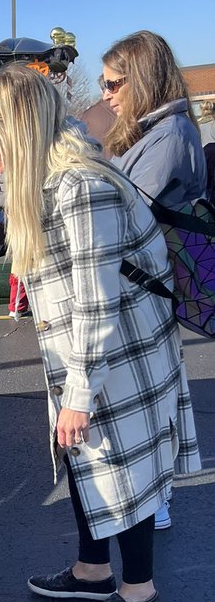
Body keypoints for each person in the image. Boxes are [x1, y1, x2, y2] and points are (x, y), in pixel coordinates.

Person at [0, 65, 200, 602]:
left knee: (125, 468)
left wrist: (78, 394)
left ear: (20, 128)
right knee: (84, 459)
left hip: (122, 356)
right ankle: (92, 570)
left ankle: (140, 592)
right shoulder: (48, 181)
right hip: (98, 354)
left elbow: (96, 303)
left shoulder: (81, 188)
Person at [101, 30, 208, 531]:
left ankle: (153, 499)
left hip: (147, 285)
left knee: (148, 397)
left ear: (141, 81)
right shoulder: (160, 131)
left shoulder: (167, 136)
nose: (106, 94)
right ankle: (153, 496)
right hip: (149, 282)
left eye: (114, 83)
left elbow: (128, 210)